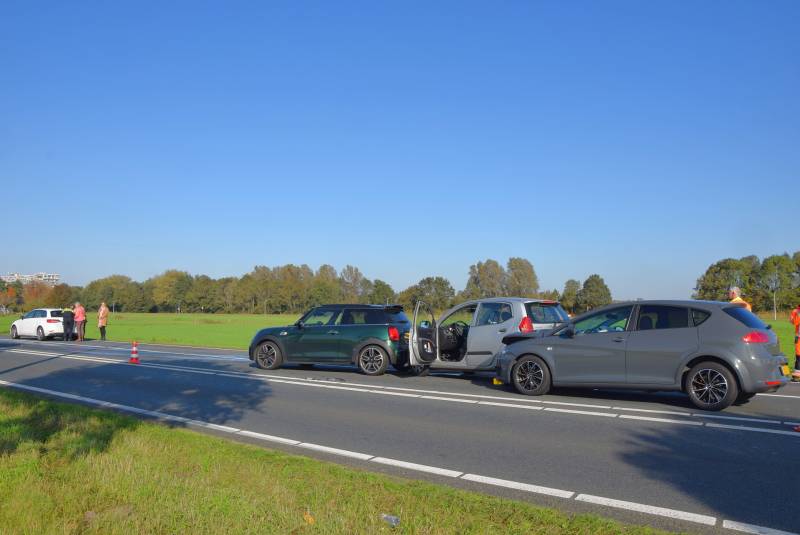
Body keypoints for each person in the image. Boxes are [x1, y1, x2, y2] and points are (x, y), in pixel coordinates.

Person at [790, 304, 800, 382]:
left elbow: (793, 322)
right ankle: (797, 375)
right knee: (798, 357)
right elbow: (793, 322)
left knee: (799, 357)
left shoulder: (796, 311)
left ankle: (797, 376)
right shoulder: (796, 311)